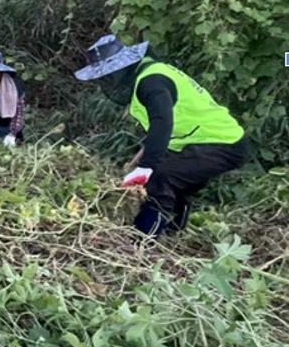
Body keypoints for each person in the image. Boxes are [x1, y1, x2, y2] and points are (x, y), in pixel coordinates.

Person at [74, 34, 248, 236]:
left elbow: (162, 124)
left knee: (161, 177)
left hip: (223, 143)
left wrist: (146, 167)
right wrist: (137, 163)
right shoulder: (149, 75)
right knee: (175, 180)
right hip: (201, 142)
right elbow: (159, 133)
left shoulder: (152, 82)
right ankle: (173, 231)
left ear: (121, 69)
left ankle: (143, 240)